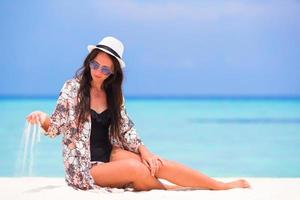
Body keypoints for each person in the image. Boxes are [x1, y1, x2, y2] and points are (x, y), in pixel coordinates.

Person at [26, 36, 251, 191]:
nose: (98, 72)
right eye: (95, 65)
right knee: (137, 169)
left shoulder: (113, 94)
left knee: (155, 164)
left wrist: (146, 152)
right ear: (89, 61)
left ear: (113, 73)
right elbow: (56, 126)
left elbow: (126, 129)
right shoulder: (72, 89)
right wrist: (42, 118)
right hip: (84, 168)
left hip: (112, 154)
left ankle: (219, 185)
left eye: (105, 69)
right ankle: (170, 189)